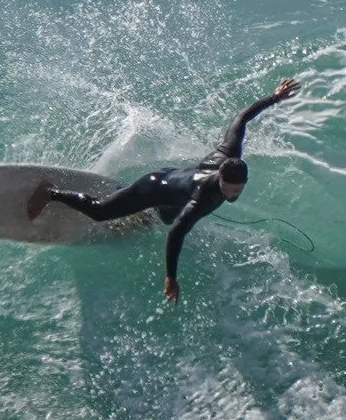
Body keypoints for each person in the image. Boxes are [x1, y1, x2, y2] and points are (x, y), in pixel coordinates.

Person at [28, 78, 301, 301]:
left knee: (164, 215)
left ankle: (137, 215)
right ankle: (52, 193)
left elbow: (241, 120)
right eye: (229, 190)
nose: (233, 195)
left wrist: (275, 97)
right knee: (101, 212)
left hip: (174, 191)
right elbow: (177, 235)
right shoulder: (203, 197)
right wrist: (171, 276)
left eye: (237, 191)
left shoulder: (228, 155)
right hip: (155, 186)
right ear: (220, 179)